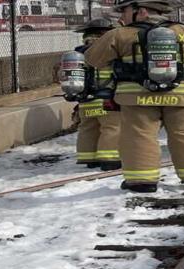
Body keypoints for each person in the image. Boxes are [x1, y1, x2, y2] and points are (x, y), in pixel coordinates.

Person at [85, 0, 184, 193]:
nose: (122, 17)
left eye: (125, 11)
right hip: (183, 97)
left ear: (142, 11)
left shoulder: (119, 34)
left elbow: (91, 59)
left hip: (135, 97)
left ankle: (141, 181)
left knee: (139, 135)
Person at [72, 17, 122, 170]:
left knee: (87, 128)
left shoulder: (79, 53)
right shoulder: (110, 52)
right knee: (112, 128)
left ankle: (88, 158)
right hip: (107, 99)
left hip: (85, 100)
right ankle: (110, 159)